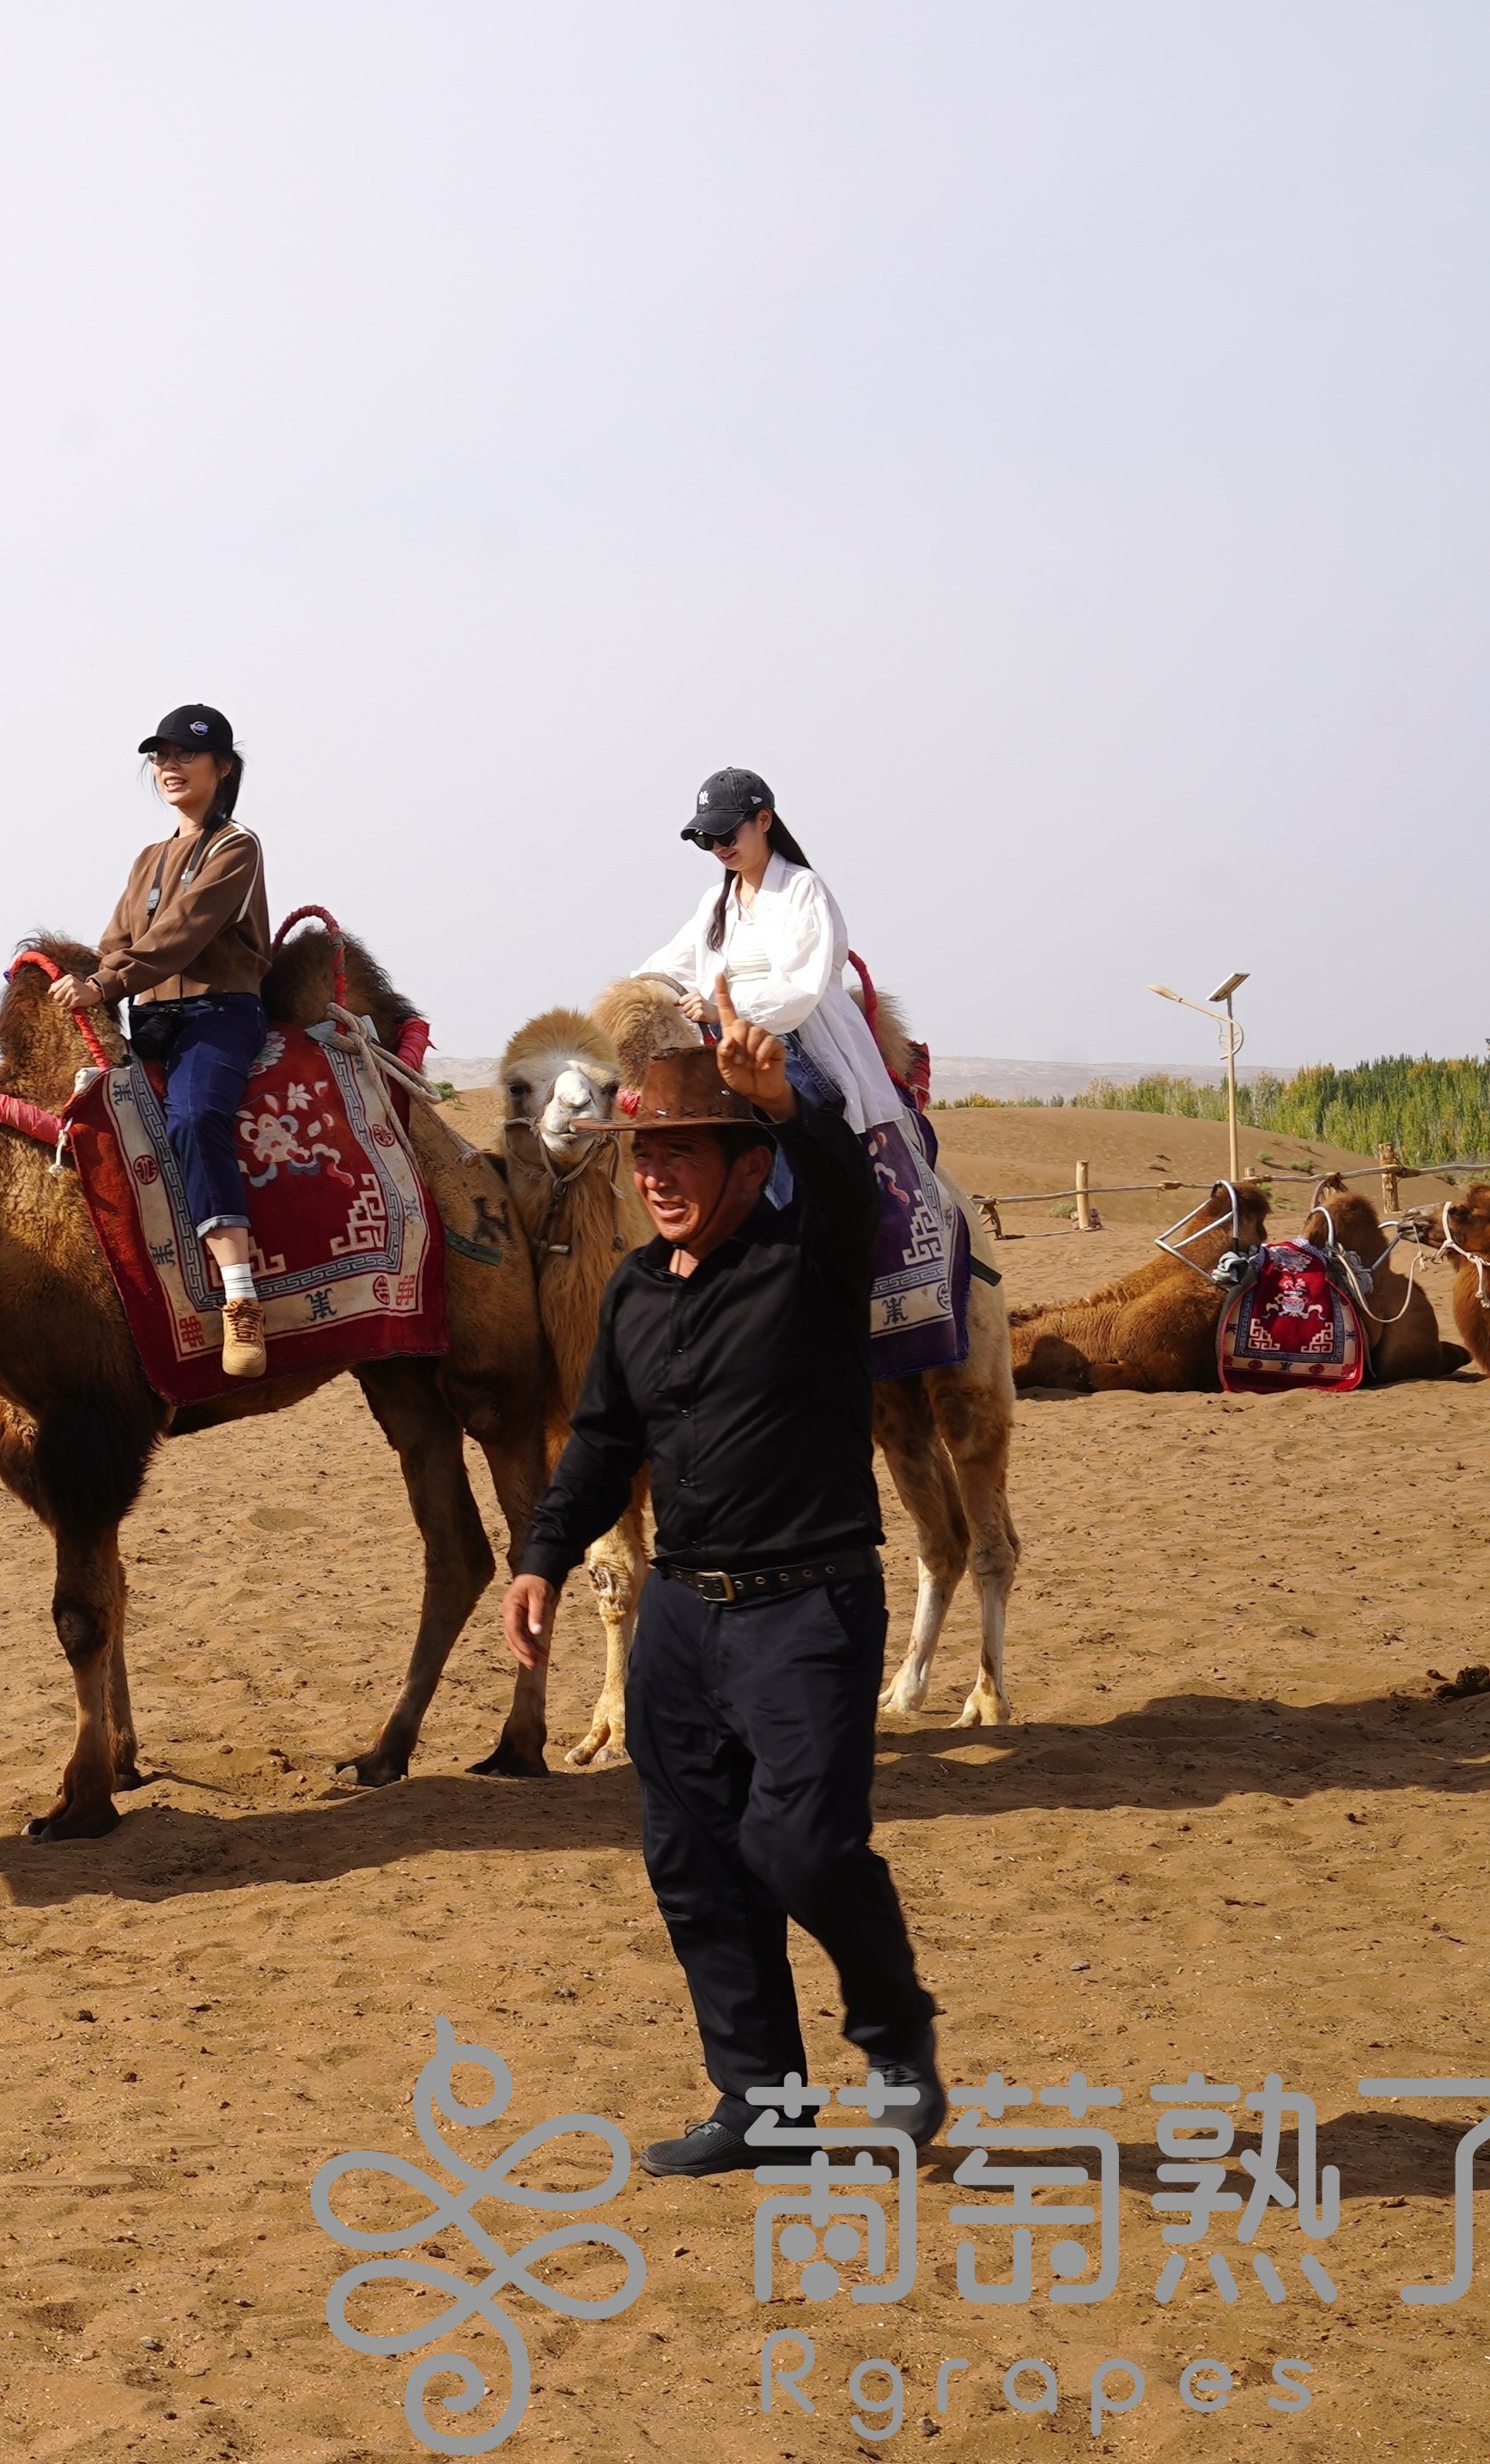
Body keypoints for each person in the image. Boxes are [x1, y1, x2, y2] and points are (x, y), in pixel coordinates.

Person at [501, 989, 942, 2177]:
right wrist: (541, 1558)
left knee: (803, 1848)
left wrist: (785, 1103)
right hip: (684, 1621)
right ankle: (763, 2105)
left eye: (683, 1153)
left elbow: (844, 1186)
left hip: (808, 1605)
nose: (655, 1176)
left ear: (749, 1166)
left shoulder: (812, 1260)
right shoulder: (637, 1291)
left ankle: (895, 2029)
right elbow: (602, 1442)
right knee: (694, 1865)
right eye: (645, 1156)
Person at [50, 703, 273, 1379]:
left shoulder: (236, 848)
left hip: (218, 1014)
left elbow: (183, 932)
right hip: (150, 1020)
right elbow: (118, 940)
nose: (169, 767)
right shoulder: (148, 858)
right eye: (160, 757)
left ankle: (241, 1297)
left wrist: (104, 982)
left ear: (222, 767)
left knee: (195, 1116)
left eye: (185, 755)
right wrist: (80, 976)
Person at [638, 768, 924, 1192]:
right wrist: (633, 998)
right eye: (706, 839)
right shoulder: (716, 904)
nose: (718, 848)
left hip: (799, 1045)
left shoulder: (802, 889)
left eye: (726, 834)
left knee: (785, 1162)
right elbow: (666, 968)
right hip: (730, 1048)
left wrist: (723, 1010)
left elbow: (801, 989)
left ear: (764, 820)